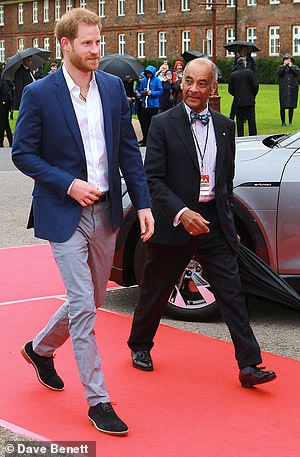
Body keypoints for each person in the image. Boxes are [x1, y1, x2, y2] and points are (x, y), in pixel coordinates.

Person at [12, 8, 154, 436]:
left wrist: (143, 204)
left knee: (93, 299)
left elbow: (129, 151)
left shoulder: (113, 88)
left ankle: (40, 349)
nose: (98, 50)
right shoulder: (39, 94)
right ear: (66, 45)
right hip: (63, 211)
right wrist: (69, 184)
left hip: (107, 211)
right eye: (89, 43)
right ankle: (99, 400)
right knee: (82, 306)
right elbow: (23, 154)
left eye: (99, 41)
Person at [127, 57, 276, 389]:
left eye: (202, 83)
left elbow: (225, 181)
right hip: (175, 221)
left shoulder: (225, 126)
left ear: (214, 88)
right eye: (189, 81)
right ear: (181, 82)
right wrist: (182, 213)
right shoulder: (163, 124)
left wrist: (228, 224)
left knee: (232, 293)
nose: (194, 89)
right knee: (155, 288)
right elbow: (153, 180)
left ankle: (249, 365)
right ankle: (140, 345)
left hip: (213, 224)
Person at [228, 57, 258, 137]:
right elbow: (255, 86)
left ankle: (240, 135)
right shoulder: (250, 73)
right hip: (249, 99)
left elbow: (230, 89)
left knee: (239, 119)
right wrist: (252, 95)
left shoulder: (233, 75)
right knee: (251, 119)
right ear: (244, 64)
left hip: (238, 99)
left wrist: (236, 94)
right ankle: (253, 135)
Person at [230, 46, 256, 120]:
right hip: (239, 82)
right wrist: (240, 65)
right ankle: (232, 116)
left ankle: (246, 117)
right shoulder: (237, 60)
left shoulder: (251, 60)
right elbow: (233, 69)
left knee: (248, 103)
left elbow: (254, 70)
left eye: (245, 50)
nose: (244, 52)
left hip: (248, 82)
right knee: (236, 102)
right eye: (243, 50)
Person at [139, 65, 163, 146]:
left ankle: (153, 141)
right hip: (144, 105)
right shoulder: (143, 81)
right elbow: (140, 91)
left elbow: (160, 91)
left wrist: (151, 93)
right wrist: (144, 92)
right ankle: (145, 140)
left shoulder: (157, 80)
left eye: (150, 73)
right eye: (147, 73)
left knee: (152, 124)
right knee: (144, 124)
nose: (148, 75)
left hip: (153, 106)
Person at [277, 54, 300, 127]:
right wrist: (284, 66)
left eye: (288, 59)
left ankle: (290, 121)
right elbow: (279, 73)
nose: (287, 61)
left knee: (291, 106)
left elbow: (297, 72)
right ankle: (283, 122)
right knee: (282, 106)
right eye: (285, 59)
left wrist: (291, 66)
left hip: (292, 89)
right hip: (284, 89)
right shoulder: (281, 67)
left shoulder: (295, 67)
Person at [0, 76, 13, 147]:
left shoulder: (3, 81)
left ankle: (2, 141)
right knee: (5, 123)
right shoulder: (5, 80)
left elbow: (5, 95)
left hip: (3, 105)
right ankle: (10, 140)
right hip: (4, 105)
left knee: (3, 123)